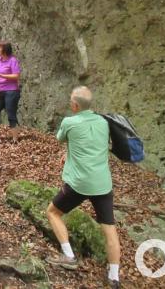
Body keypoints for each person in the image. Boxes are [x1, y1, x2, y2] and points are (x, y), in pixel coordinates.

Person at [46, 86, 121, 288]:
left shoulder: (69, 121)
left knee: (52, 212)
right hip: (102, 184)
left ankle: (68, 255)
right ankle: (114, 276)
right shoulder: (104, 122)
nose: (70, 102)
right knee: (110, 230)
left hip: (79, 183)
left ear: (75, 105)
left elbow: (60, 139)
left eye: (71, 100)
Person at [0, 40, 21, 128]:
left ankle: (15, 139)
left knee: (11, 114)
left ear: (5, 49)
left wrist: (1, 75)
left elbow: (16, 76)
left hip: (11, 91)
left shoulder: (13, 60)